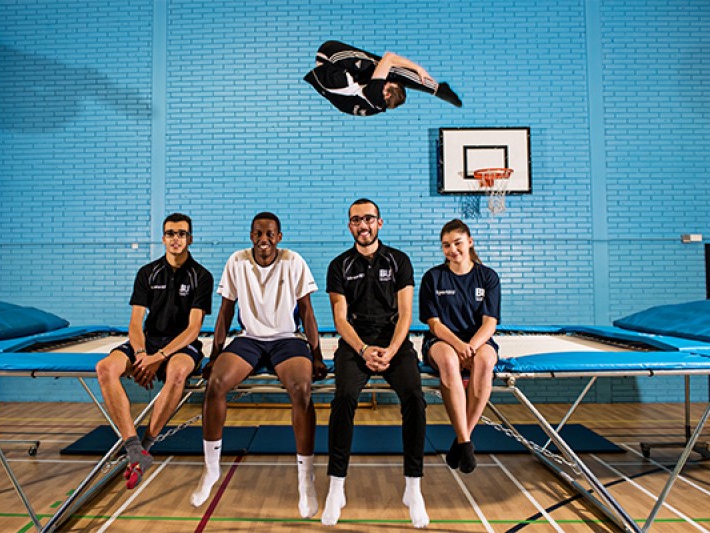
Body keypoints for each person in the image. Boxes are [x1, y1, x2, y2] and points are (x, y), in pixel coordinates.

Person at [190, 212, 328, 518]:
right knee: (215, 385)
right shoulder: (237, 262)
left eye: (269, 234)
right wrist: (215, 355)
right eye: (257, 233)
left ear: (279, 237)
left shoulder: (293, 261)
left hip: (287, 339)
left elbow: (306, 312)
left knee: (302, 391)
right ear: (251, 235)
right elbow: (225, 312)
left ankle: (306, 478)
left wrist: (316, 355)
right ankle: (211, 469)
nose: (263, 239)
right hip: (249, 338)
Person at [322, 199, 429, 528]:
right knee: (343, 398)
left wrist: (392, 349)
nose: (362, 225)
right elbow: (340, 319)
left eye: (368, 218)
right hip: (355, 345)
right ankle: (336, 486)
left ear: (379, 223)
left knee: (414, 397)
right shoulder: (339, 265)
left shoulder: (399, 261)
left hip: (394, 344)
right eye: (356, 220)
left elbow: (407, 313)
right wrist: (364, 349)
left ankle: (413, 486)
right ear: (350, 226)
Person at [96, 213, 213, 489]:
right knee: (105, 368)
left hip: (181, 344)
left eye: (181, 233)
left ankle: (146, 445)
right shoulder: (147, 273)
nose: (176, 238)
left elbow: (193, 329)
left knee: (177, 372)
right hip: (147, 343)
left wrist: (158, 359)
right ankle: (134, 447)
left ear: (190, 239)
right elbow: (135, 322)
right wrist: (140, 356)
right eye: (171, 233)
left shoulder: (202, 276)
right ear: (163, 239)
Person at [419, 219, 500, 474]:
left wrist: (472, 346)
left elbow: (490, 322)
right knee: (449, 361)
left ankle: (462, 440)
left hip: (477, 340)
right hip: (443, 340)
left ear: (470, 242)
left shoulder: (487, 277)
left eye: (457, 243)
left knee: (485, 361)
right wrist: (458, 345)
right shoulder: (433, 277)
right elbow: (433, 323)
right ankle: (466, 442)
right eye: (446, 245)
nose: (452, 249)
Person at [303, 40, 463, 117]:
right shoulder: (376, 108)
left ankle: (435, 89)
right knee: (381, 71)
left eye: (386, 85)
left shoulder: (375, 95)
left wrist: (419, 69)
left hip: (329, 56)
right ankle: (434, 89)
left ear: (386, 94)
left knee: (388, 68)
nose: (384, 83)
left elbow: (389, 58)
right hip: (329, 81)